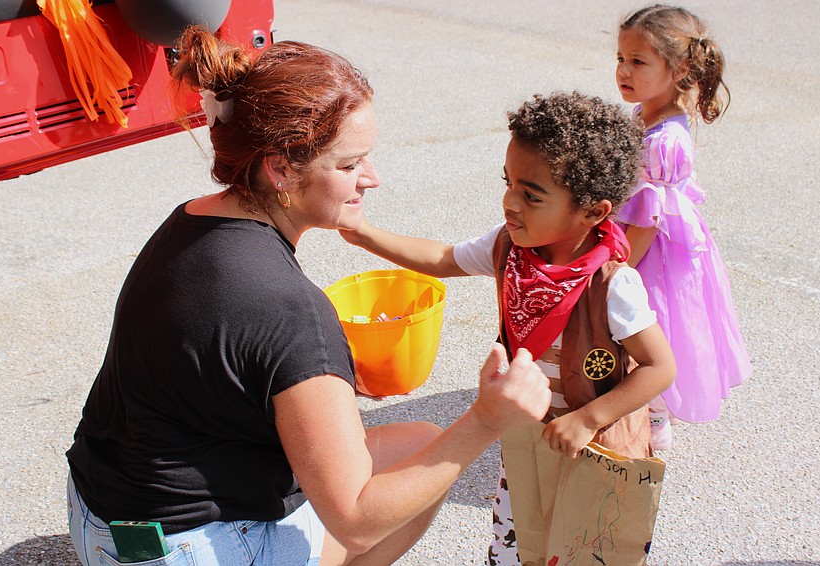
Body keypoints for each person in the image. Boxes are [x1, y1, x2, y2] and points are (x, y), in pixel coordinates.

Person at [65, 26, 554, 566]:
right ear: (279, 169)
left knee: (416, 439)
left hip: (101, 519)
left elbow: (218, 367)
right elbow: (357, 519)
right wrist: (483, 421)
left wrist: (328, 382)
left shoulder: (189, 220)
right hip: (188, 551)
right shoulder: (292, 309)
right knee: (424, 464)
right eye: (349, 164)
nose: (373, 178)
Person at [340, 91, 677, 565]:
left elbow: (660, 367)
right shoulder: (511, 249)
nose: (509, 202)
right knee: (521, 538)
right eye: (509, 182)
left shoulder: (612, 286)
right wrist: (364, 234)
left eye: (531, 195)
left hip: (593, 446)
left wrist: (588, 420)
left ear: (593, 212)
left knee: (583, 545)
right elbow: (441, 259)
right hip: (528, 438)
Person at [615, 4, 752, 449]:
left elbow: (652, 217)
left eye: (638, 61)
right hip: (640, 234)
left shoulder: (667, 140)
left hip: (655, 250)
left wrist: (620, 264)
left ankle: (654, 414)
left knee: (650, 322)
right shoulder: (647, 114)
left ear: (679, 69)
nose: (623, 70)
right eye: (620, 58)